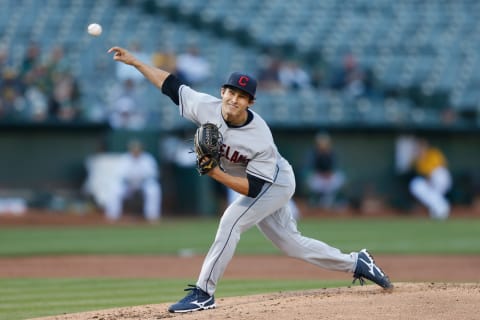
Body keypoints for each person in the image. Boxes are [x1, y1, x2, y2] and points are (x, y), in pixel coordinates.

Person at [108, 45, 393, 313]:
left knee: (231, 221)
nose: (234, 99)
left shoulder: (260, 137)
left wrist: (215, 172)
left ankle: (204, 293)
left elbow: (254, 188)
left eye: (241, 96)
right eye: (230, 92)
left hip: (276, 182)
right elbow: (170, 85)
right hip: (255, 180)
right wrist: (135, 63)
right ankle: (357, 262)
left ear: (250, 102)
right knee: (291, 244)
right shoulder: (205, 106)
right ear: (222, 91)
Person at [103, 139, 162, 222]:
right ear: (130, 149)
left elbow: (152, 174)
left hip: (143, 184)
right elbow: (120, 175)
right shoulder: (125, 158)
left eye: (138, 149)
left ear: (141, 149)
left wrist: (141, 179)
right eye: (134, 149)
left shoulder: (148, 159)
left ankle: (152, 216)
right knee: (115, 189)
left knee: (153, 189)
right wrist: (130, 181)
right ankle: (113, 216)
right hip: (128, 184)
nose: (135, 151)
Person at [409, 138, 452, 220]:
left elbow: (441, 167)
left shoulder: (433, 153)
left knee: (437, 174)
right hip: (431, 181)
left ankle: (441, 209)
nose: (420, 150)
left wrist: (431, 179)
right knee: (416, 185)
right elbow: (423, 174)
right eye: (418, 148)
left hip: (442, 177)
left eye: (421, 147)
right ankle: (439, 209)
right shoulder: (418, 161)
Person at [304, 132, 346, 209]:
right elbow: (311, 168)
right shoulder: (314, 153)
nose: (322, 144)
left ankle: (337, 201)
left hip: (329, 177)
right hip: (319, 177)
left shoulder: (332, 153)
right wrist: (322, 174)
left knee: (340, 178)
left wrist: (328, 175)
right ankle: (315, 201)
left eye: (324, 142)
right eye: (320, 142)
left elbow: (334, 167)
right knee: (311, 180)